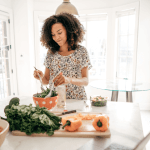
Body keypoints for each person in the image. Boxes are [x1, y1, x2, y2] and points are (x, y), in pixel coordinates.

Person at [33, 12, 92, 100]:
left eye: (59, 33)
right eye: (53, 35)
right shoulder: (51, 53)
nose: (56, 38)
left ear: (68, 31)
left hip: (77, 101)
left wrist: (68, 79)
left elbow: (85, 81)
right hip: (56, 101)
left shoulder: (81, 51)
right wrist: (40, 77)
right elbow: (46, 80)